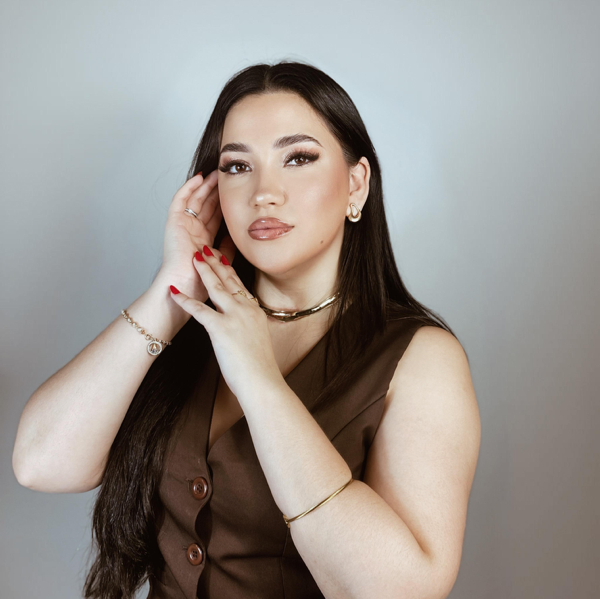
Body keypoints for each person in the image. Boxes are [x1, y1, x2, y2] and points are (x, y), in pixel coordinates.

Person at [12, 60, 481, 599]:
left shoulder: (419, 357)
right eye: (237, 166)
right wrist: (172, 289)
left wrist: (260, 381)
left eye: (298, 158)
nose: (263, 193)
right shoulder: (190, 326)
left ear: (356, 185)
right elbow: (41, 464)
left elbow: (402, 590)